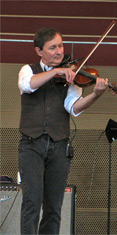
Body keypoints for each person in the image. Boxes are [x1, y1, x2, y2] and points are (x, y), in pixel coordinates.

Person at [18, 28, 109, 234]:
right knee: (31, 203)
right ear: (39, 51)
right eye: (53, 47)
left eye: (60, 45)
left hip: (59, 146)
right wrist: (55, 71)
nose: (59, 51)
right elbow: (26, 85)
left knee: (54, 207)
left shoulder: (71, 75)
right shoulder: (28, 70)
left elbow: (74, 107)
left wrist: (95, 95)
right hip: (31, 145)